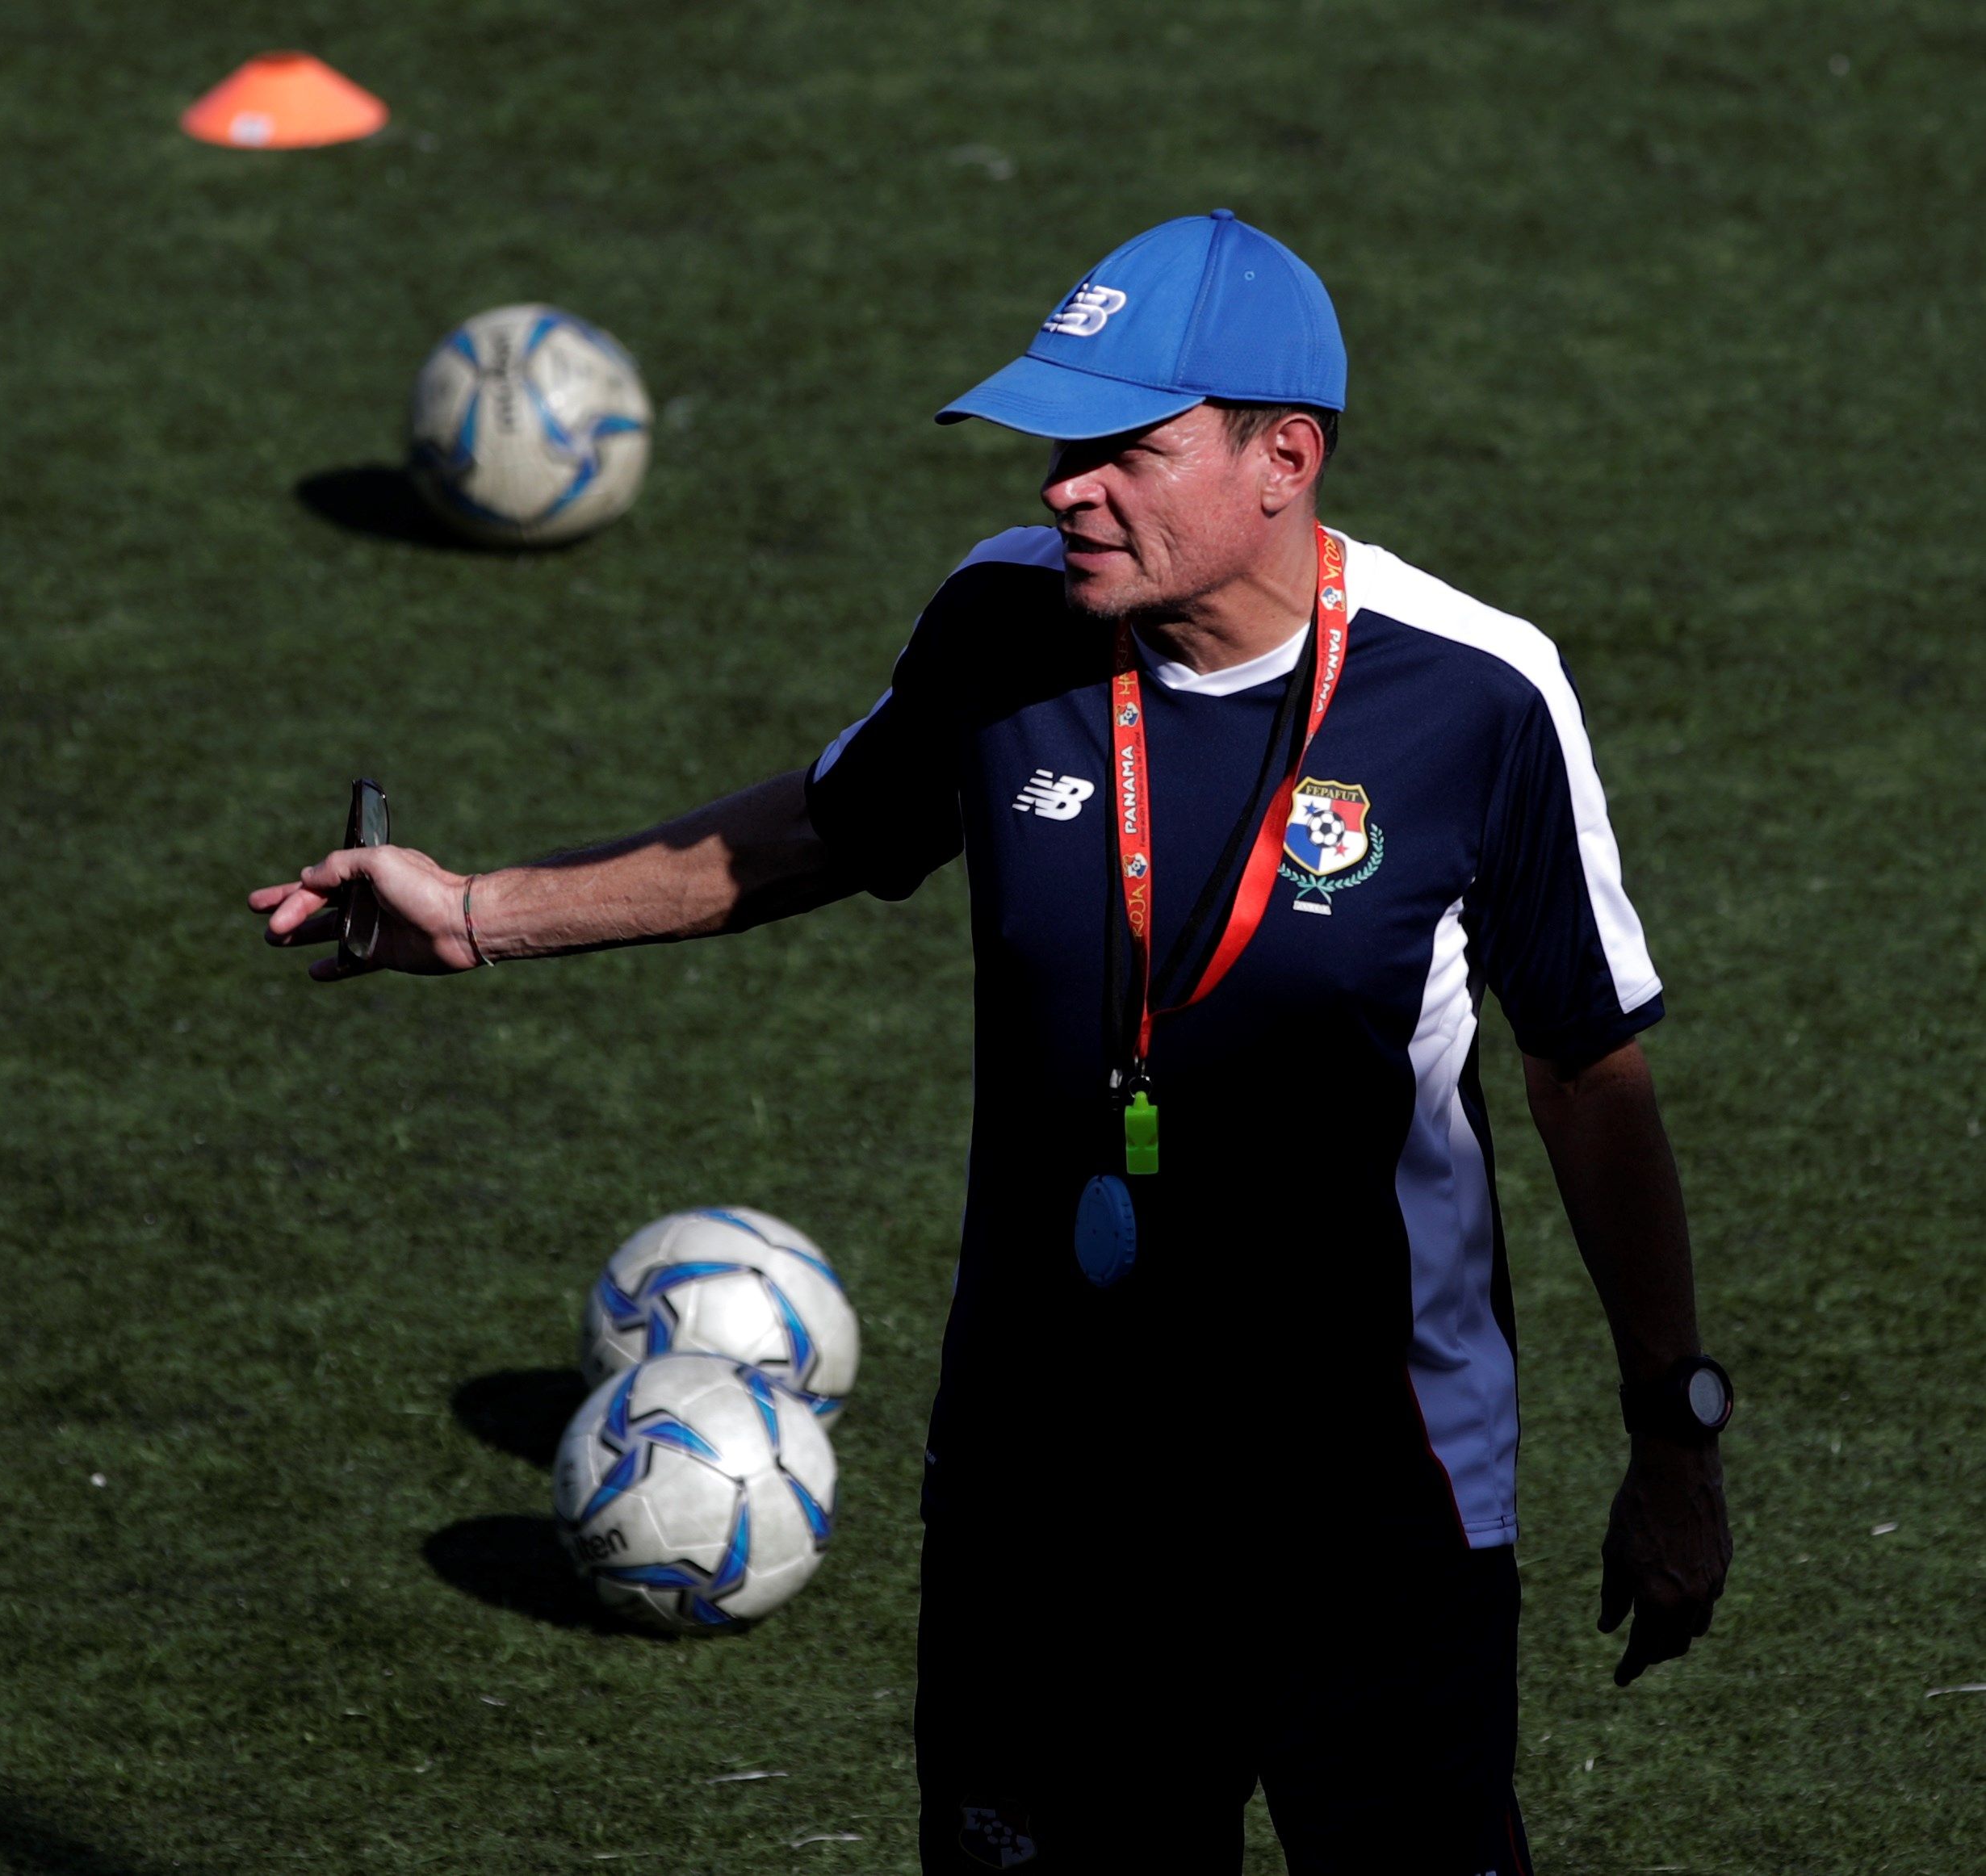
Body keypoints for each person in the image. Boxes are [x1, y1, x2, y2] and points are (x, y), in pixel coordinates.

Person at [248, 211, 1732, 1874]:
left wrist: (1674, 1432)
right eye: (1056, 446)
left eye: (1122, 450)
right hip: (1049, 1493)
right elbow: (817, 828)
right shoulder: (1004, 623)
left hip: (1368, 1501)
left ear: (1282, 457)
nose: (1063, 488)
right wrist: (475, 910)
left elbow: (1586, 1072)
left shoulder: (1476, 696)